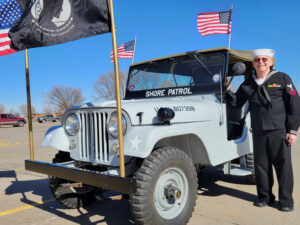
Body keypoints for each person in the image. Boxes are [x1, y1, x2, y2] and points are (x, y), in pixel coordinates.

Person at [226, 49, 300, 212]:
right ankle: (265, 197)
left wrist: (292, 130)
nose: (261, 62)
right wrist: (228, 90)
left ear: (271, 61)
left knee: (283, 167)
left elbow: (295, 104)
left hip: (279, 131)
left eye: (264, 59)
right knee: (261, 166)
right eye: (257, 60)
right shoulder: (247, 83)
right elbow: (236, 103)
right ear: (253, 63)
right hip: (258, 132)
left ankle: (286, 201)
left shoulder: (282, 78)